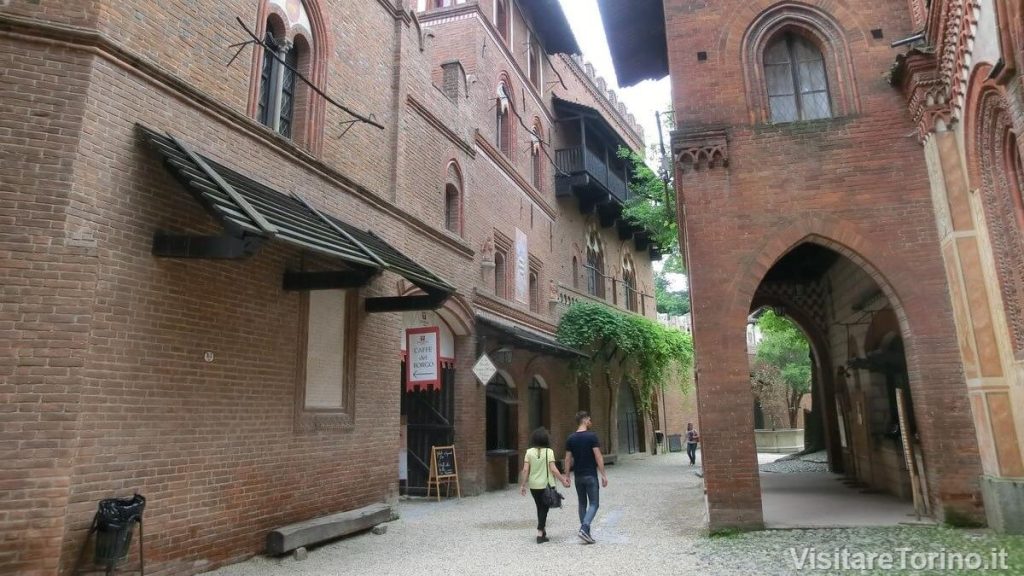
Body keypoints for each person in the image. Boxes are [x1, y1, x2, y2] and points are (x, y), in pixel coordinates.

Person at [519, 427, 570, 544]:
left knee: (539, 507)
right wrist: (563, 480)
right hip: (546, 485)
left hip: (533, 486)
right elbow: (553, 469)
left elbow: (525, 470)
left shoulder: (529, 452)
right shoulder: (549, 452)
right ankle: (540, 533)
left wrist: (522, 485)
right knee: (544, 509)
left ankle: (543, 530)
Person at [564, 411, 607, 544]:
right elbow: (598, 456)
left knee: (582, 503)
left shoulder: (571, 438)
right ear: (585, 420)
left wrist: (567, 476)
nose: (591, 422)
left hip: (578, 476)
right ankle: (584, 527)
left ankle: (585, 534)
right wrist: (603, 475)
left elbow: (567, 459)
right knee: (594, 503)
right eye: (589, 419)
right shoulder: (592, 437)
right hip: (590, 475)